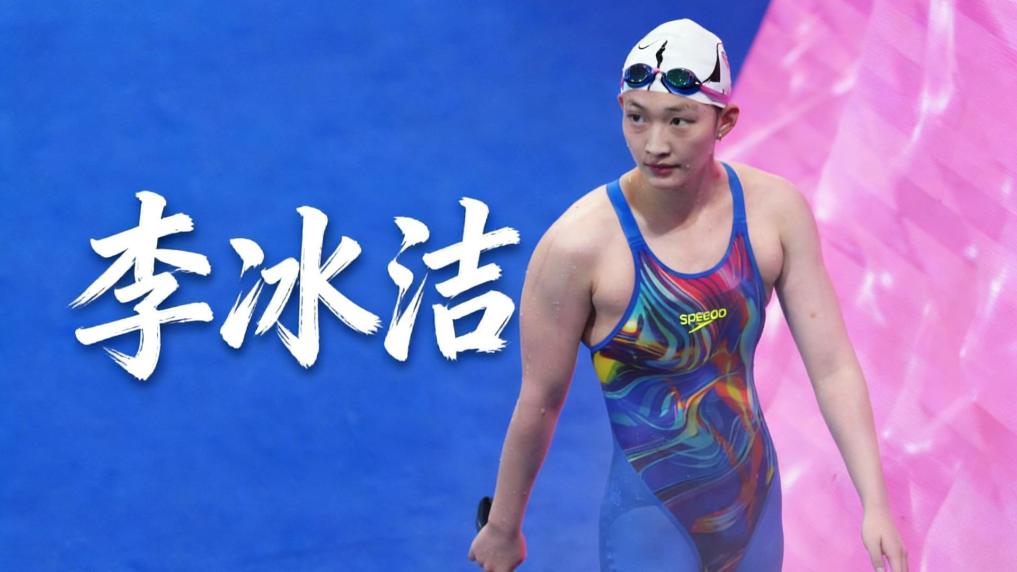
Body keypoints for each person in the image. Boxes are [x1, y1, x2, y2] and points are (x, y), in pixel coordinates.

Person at [467, 18, 908, 572]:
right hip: (650, 526)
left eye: (679, 121)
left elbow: (833, 366)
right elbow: (540, 399)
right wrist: (504, 528)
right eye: (637, 118)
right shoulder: (578, 248)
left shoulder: (775, 214)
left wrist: (875, 503)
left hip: (756, 507)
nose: (656, 145)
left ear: (725, 121)